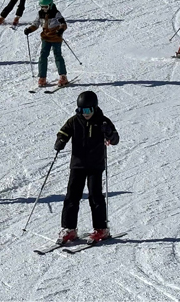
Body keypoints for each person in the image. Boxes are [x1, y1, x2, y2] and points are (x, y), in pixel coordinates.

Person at [54, 90, 119, 245]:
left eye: (88, 110)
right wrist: (61, 140)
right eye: (82, 110)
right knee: (71, 196)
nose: (85, 114)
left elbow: (115, 139)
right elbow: (63, 132)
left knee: (95, 196)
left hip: (95, 165)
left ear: (94, 108)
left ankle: (101, 229)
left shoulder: (103, 122)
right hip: (77, 164)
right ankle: (69, 229)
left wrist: (109, 133)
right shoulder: (74, 121)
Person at [24, 0, 68, 88]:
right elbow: (36, 24)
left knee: (57, 56)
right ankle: (42, 77)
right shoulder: (40, 14)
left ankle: (63, 76)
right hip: (45, 38)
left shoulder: (56, 13)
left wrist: (60, 30)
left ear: (50, 5)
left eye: (46, 7)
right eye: (42, 7)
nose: (44, 9)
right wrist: (29, 29)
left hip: (56, 37)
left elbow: (63, 23)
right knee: (43, 56)